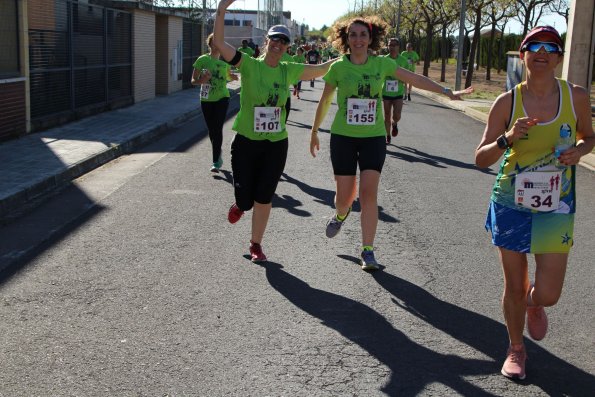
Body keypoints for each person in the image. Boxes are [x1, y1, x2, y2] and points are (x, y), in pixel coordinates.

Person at [475, 26, 595, 380]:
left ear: (558, 57)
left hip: (556, 205)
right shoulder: (507, 101)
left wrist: (581, 150)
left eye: (551, 47)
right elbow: (481, 158)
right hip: (511, 202)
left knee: (548, 292)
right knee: (513, 285)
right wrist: (507, 138)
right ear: (523, 54)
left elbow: (589, 136)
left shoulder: (575, 96)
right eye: (534, 46)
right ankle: (516, 349)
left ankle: (533, 304)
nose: (542, 52)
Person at [310, 17, 471, 271]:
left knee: (368, 194)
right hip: (344, 137)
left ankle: (368, 250)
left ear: (371, 38)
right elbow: (325, 99)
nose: (358, 39)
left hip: (373, 137)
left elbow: (415, 79)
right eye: (353, 34)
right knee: (343, 198)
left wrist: (447, 92)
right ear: (346, 38)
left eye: (363, 34)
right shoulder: (338, 68)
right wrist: (314, 130)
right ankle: (341, 214)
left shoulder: (382, 64)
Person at [213, 0, 337, 263]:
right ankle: (240, 205)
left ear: (287, 47)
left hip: (275, 144)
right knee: (246, 201)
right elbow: (221, 44)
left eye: (284, 42)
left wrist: (345, 57)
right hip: (246, 142)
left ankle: (256, 244)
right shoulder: (248, 65)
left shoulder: (288, 70)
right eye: (275, 40)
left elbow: (321, 69)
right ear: (266, 41)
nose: (279, 45)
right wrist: (222, 10)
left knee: (265, 196)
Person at [191, 33, 237, 172]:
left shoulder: (224, 63)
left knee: (217, 128)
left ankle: (215, 160)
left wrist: (233, 77)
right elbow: (193, 81)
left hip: (222, 98)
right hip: (206, 99)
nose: (216, 46)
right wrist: (202, 80)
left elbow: (229, 77)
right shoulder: (202, 60)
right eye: (214, 43)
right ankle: (218, 153)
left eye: (219, 44)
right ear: (210, 44)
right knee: (212, 130)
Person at [382, 38, 408, 144]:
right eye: (390, 45)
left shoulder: (403, 61)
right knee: (387, 114)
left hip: (398, 92)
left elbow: (407, 77)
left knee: (397, 115)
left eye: (394, 45)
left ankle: (395, 123)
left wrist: (400, 78)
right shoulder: (384, 60)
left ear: (398, 47)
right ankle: (387, 135)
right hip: (386, 92)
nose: (392, 47)